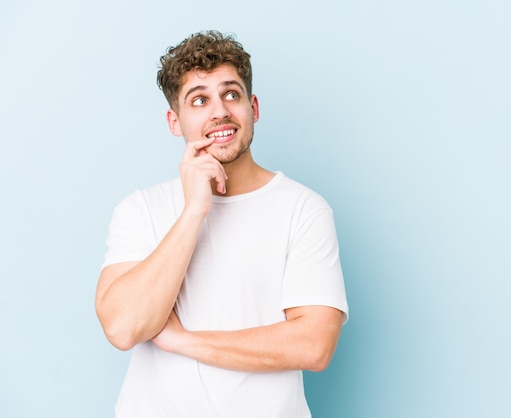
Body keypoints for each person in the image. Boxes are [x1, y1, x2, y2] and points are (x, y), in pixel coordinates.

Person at [95, 30, 348, 417]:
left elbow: (314, 345)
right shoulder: (142, 208)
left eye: (232, 94)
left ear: (254, 107)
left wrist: (182, 340)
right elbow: (123, 327)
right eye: (199, 100)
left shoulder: (304, 209)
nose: (220, 112)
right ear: (174, 122)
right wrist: (194, 210)